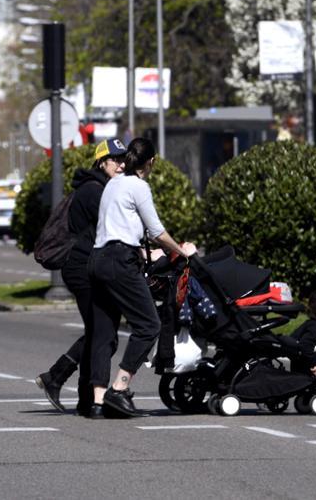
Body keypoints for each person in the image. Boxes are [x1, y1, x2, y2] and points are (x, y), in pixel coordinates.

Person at [88, 137, 196, 418]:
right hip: (120, 261)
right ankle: (119, 388)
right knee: (149, 325)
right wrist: (181, 252)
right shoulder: (138, 186)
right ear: (151, 162)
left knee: (103, 331)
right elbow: (157, 231)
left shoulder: (112, 184)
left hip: (97, 259)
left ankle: (98, 401)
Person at [35, 138, 127, 415]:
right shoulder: (94, 191)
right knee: (103, 334)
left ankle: (84, 397)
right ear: (102, 162)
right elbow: (116, 226)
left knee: (102, 334)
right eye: (116, 160)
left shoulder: (101, 188)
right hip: (83, 269)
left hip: (87, 268)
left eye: (124, 160)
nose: (122, 165)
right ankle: (57, 378)